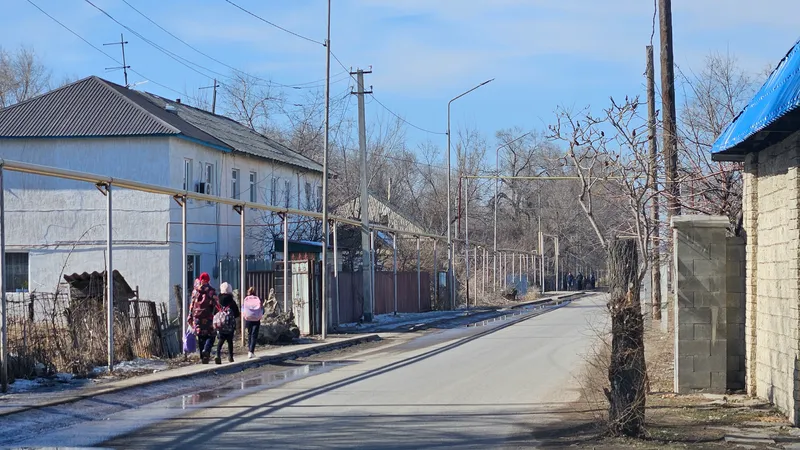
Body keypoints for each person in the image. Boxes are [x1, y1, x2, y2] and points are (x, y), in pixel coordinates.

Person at [187, 272, 219, 364]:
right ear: (208, 280)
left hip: (197, 317)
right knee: (211, 335)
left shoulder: (195, 291)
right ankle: (207, 350)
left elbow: (192, 305)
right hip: (208, 316)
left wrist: (190, 316)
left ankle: (202, 357)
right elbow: (216, 304)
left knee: (200, 336)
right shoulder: (211, 291)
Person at [215, 282, 240, 365]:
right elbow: (236, 313)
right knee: (230, 341)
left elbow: (214, 312)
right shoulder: (232, 302)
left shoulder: (218, 301)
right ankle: (230, 356)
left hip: (221, 325)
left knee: (220, 341)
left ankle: (217, 355)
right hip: (230, 325)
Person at [242, 287, 264, 359]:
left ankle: (249, 350)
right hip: (256, 319)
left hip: (248, 319)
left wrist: (244, 315)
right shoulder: (258, 299)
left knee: (249, 334)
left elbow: (242, 308)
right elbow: (262, 309)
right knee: (254, 335)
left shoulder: (246, 299)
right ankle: (251, 351)